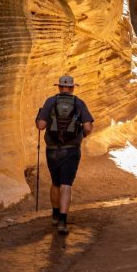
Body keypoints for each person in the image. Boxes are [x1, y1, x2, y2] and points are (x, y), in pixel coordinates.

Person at [35, 75, 94, 234]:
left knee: (55, 182)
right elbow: (88, 127)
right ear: (73, 87)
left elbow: (41, 125)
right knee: (66, 184)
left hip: (52, 149)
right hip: (71, 149)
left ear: (59, 87)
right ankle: (63, 221)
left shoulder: (50, 101)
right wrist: (81, 136)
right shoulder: (79, 103)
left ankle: (54, 215)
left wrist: (38, 117)